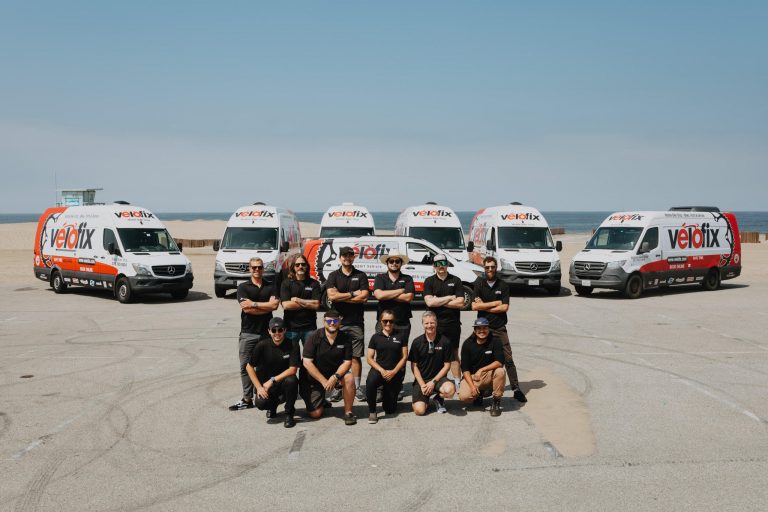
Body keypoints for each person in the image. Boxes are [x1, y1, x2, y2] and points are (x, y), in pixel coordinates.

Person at [471, 256, 527, 403]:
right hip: (482, 329)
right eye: (487, 267)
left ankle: (516, 389)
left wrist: (485, 305)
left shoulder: (503, 285)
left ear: (496, 268)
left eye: (493, 267)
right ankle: (481, 391)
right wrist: (495, 303)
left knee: (508, 359)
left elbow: (505, 307)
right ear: (484, 268)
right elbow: (474, 306)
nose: (490, 269)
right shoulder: (479, 283)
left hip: (499, 328)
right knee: (480, 360)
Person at [229, 257, 279, 411]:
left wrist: (254, 304)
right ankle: (246, 398)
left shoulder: (270, 286)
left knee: (265, 366)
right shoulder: (243, 287)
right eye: (254, 268)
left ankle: (264, 394)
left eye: (259, 267)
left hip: (266, 333)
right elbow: (246, 309)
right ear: (249, 269)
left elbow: (274, 306)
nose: (257, 270)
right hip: (248, 333)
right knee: (245, 366)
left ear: (263, 268)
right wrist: (264, 306)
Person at [325, 246, 369, 402]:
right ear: (340, 258)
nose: (347, 258)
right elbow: (331, 296)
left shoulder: (361, 275)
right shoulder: (333, 275)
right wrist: (352, 294)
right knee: (338, 356)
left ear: (354, 257)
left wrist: (341, 296)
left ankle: (356, 388)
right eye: (344, 256)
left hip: (356, 322)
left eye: (350, 255)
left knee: (356, 357)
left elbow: (364, 297)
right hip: (338, 323)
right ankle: (339, 387)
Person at [300, 309, 358, 425]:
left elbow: (347, 362)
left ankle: (348, 413)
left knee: (349, 378)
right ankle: (321, 400)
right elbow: (307, 362)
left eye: (335, 321)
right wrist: (324, 381)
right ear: (324, 322)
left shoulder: (345, 338)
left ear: (340, 322)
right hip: (313, 378)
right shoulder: (314, 336)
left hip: (334, 375)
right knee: (315, 414)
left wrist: (335, 377)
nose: (332, 323)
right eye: (329, 321)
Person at [246, 317, 300, 428]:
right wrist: (259, 387)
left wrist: (272, 380)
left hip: (281, 381)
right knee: (261, 404)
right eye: (274, 330)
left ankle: (289, 414)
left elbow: (293, 369)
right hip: (265, 384)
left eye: (280, 330)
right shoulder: (262, 345)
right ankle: (272, 405)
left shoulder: (293, 345)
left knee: (292, 380)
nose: (277, 333)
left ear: (285, 330)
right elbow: (249, 367)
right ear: (269, 331)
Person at [423, 253, 465, 390]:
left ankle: (458, 382)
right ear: (434, 266)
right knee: (435, 354)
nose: (441, 266)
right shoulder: (429, 281)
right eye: (438, 264)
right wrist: (449, 297)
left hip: (453, 324)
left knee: (453, 354)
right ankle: (438, 382)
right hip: (435, 325)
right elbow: (429, 302)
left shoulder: (456, 280)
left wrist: (439, 301)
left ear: (447, 264)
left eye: (443, 263)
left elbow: (460, 303)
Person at [365, 310, 408, 423]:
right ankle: (372, 412)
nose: (388, 324)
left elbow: (404, 357)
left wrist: (394, 372)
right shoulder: (375, 337)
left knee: (390, 409)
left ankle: (387, 395)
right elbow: (369, 358)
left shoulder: (401, 336)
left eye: (391, 321)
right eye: (385, 321)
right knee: (370, 382)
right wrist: (381, 370)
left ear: (394, 322)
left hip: (394, 372)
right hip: (379, 369)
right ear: (380, 322)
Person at [408, 311, 455, 415]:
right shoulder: (417, 342)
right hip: (422, 380)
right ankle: (425, 399)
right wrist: (422, 384)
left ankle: (438, 399)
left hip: (438, 379)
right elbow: (414, 366)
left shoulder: (445, 341)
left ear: (436, 323)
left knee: (450, 390)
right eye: (426, 323)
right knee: (419, 411)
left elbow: (447, 366)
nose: (429, 325)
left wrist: (433, 382)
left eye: (432, 323)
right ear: (423, 324)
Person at [458, 317, 506, 416]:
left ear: (488, 329)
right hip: (474, 377)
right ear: (475, 330)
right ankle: (479, 394)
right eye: (479, 328)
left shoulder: (495, 341)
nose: (482, 331)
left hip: (489, 374)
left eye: (484, 328)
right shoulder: (467, 344)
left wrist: (482, 369)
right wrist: (472, 387)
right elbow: (465, 369)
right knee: (464, 397)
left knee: (500, 371)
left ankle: (496, 401)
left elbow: (499, 362)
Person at [280, 254, 322, 349]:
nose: (300, 267)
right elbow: (286, 305)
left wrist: (299, 300)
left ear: (307, 266)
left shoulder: (314, 283)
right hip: (291, 329)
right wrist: (309, 303)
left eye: (303, 264)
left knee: (310, 358)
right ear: (293, 267)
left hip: (310, 328)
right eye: (297, 265)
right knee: (292, 359)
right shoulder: (286, 283)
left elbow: (316, 305)